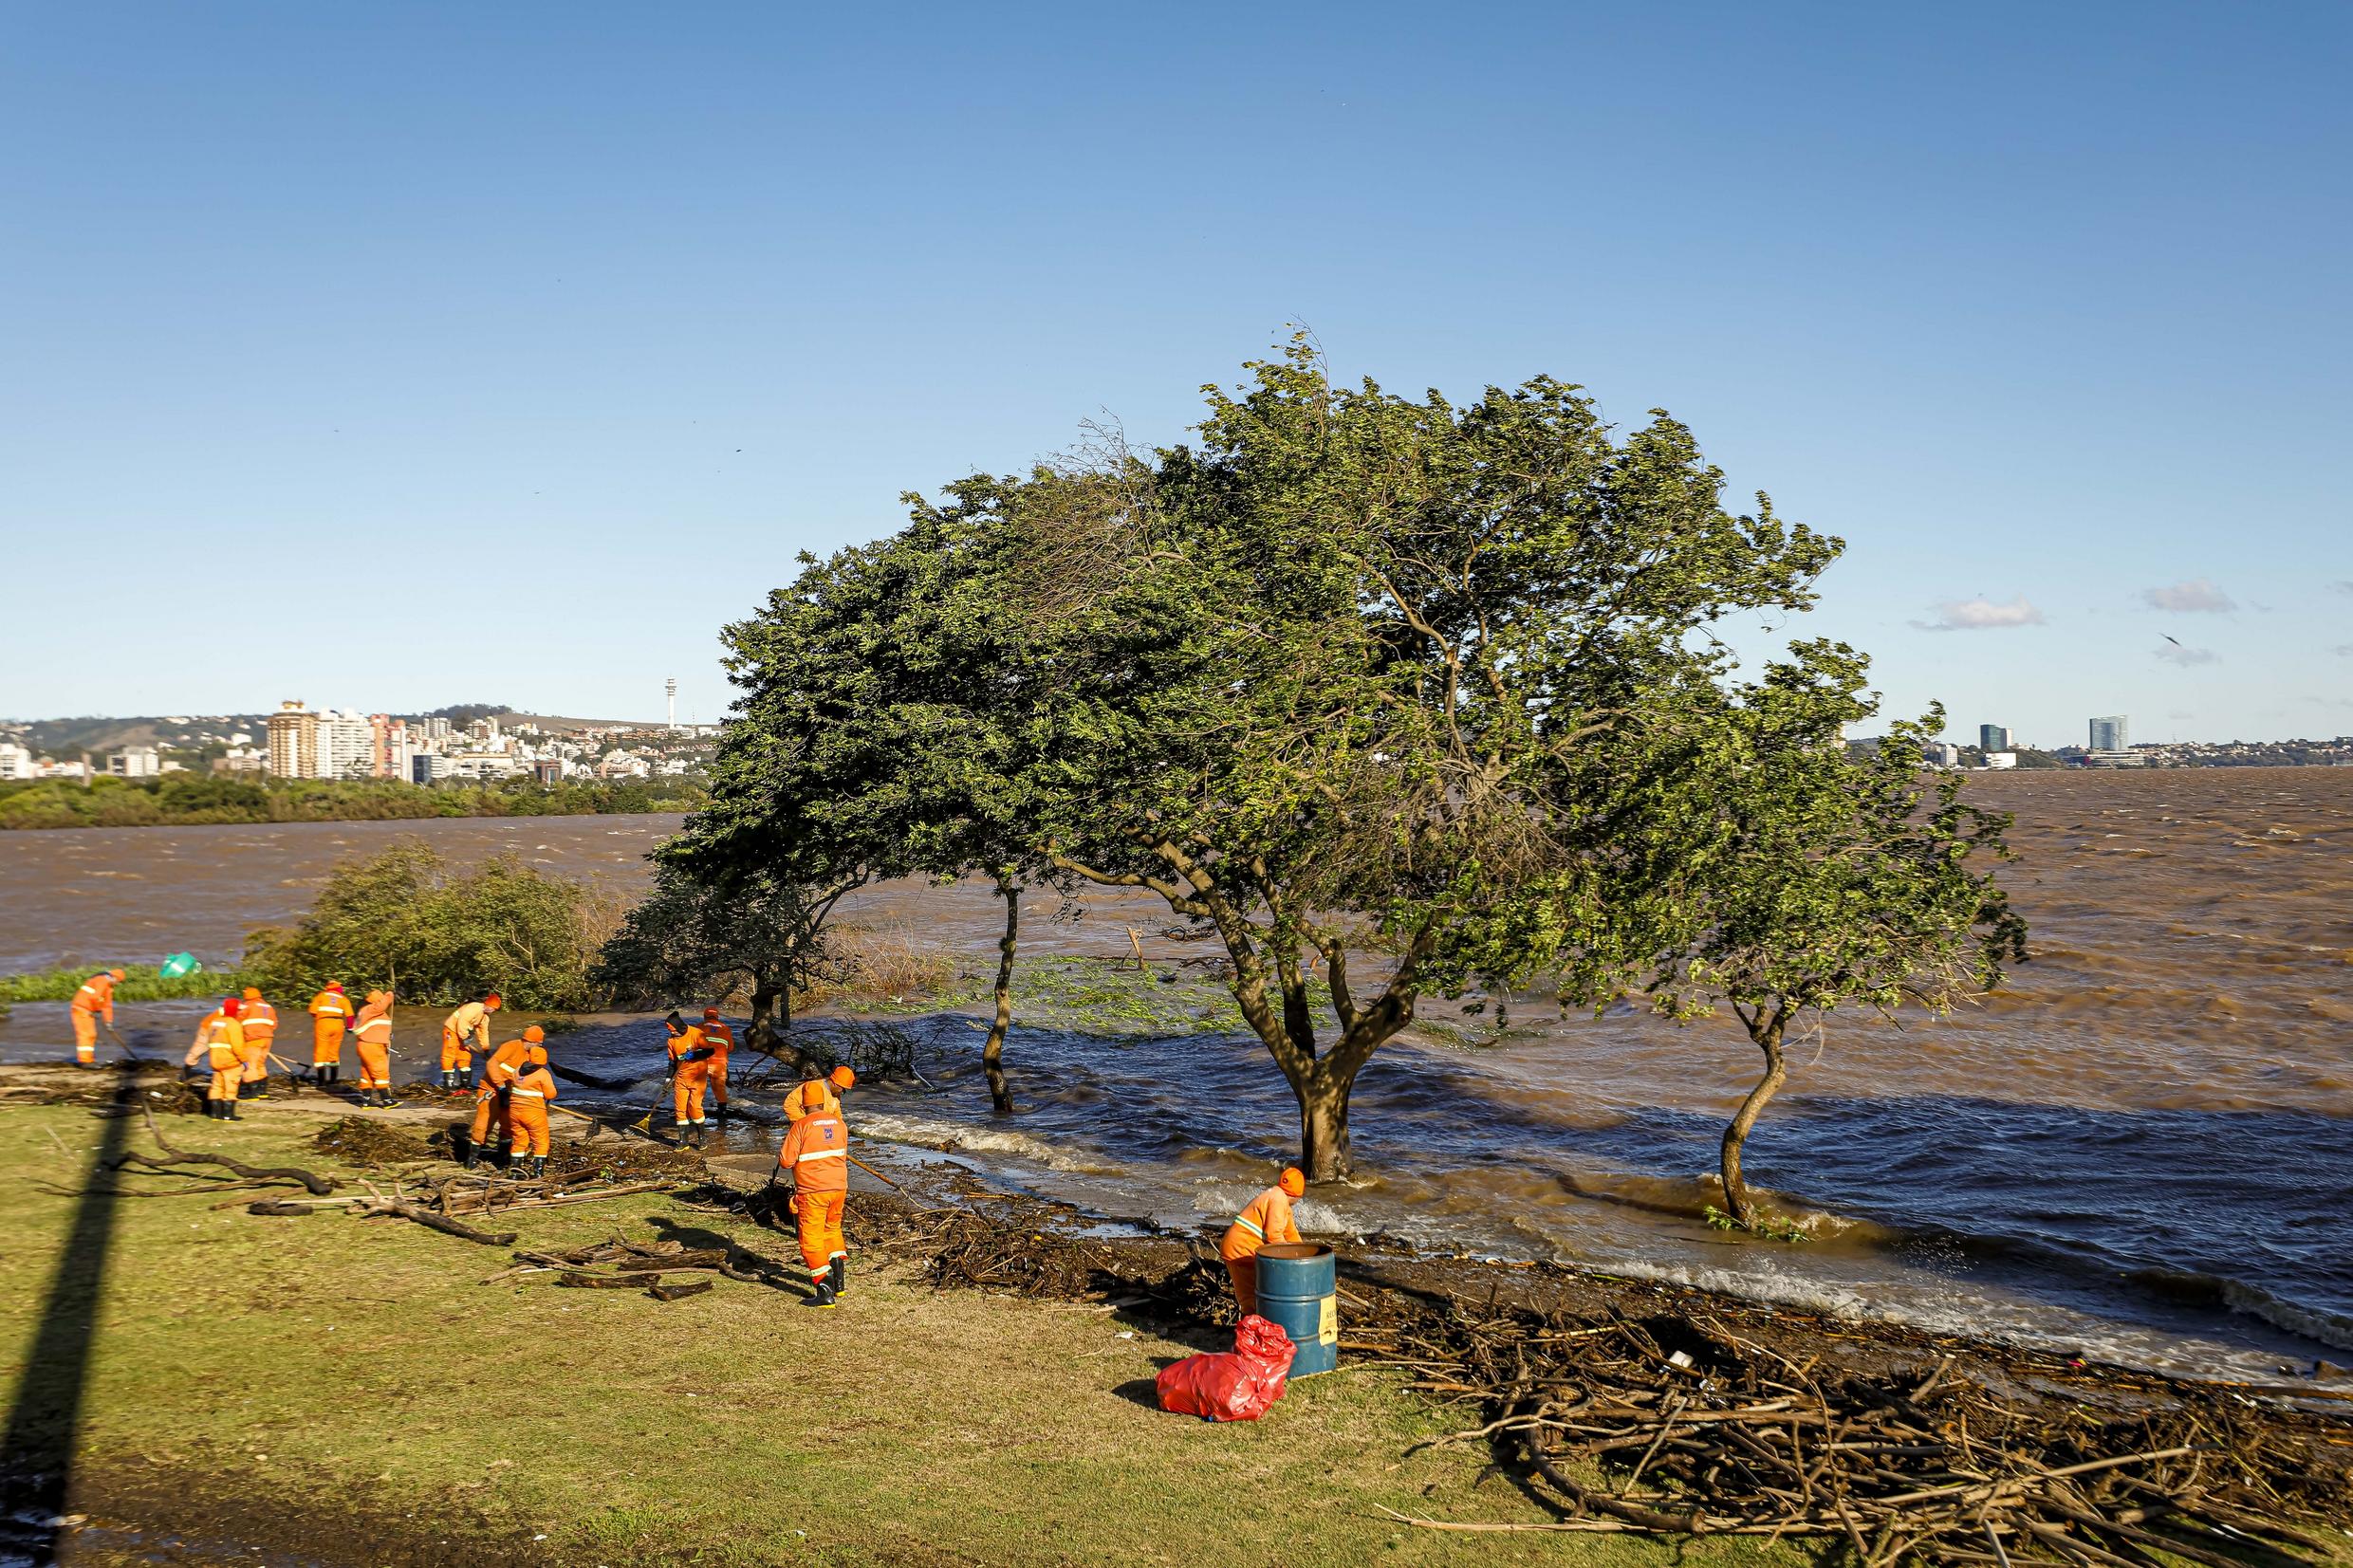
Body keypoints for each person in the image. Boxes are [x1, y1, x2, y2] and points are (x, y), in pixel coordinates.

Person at [774, 1072, 855, 1308]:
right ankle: (839, 1284)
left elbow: (786, 1161)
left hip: (813, 1191)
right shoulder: (839, 1124)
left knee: (811, 1239)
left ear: (803, 1104)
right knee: (832, 1230)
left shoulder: (801, 1126)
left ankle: (825, 1292)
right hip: (838, 1188)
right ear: (824, 1100)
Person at [1219, 1167, 1306, 1318]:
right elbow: (1274, 1236)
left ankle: (1254, 1325)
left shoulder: (1279, 1198)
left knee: (1258, 1293)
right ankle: (1250, 1328)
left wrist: (1304, 1256)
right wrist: (1292, 1260)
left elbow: (1291, 1234)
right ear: (1298, 1195)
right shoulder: (1278, 1200)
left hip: (1244, 1248)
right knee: (1251, 1298)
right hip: (1240, 1250)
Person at [464, 1024, 546, 1169]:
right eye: (539, 1044)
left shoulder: (532, 1056)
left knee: (508, 1125)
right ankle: (472, 1159)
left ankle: (502, 1157)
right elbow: (491, 1063)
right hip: (491, 1090)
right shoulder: (511, 1046)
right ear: (532, 1041)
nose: (540, 1047)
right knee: (484, 1124)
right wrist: (501, 1087)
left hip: (510, 1094)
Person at [505, 1044, 558, 1179]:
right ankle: (538, 1174)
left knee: (519, 1140)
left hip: (514, 1112)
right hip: (533, 1112)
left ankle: (516, 1172)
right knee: (541, 1141)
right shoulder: (542, 1074)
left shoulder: (517, 1070)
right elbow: (551, 1094)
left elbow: (510, 1085)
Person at [667, 1013, 718, 1147]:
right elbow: (672, 1062)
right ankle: (683, 1142)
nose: (672, 1034)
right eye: (671, 1031)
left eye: (674, 1031)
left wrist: (694, 1054)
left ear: (680, 1027)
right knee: (680, 1109)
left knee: (694, 1107)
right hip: (681, 1078)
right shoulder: (671, 1041)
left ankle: (702, 1140)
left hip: (697, 1077)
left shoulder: (696, 1033)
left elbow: (710, 1051)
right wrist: (668, 1079)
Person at [439, 992, 501, 1093]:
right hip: (452, 1030)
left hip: (463, 1034)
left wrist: (486, 1049)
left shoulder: (485, 1018)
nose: (493, 1011)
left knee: (465, 1056)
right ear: (488, 1004)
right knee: (449, 1054)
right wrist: (465, 1038)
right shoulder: (474, 1008)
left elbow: (483, 1033)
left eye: (495, 1010)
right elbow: (462, 1022)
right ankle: (448, 1084)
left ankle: (465, 1084)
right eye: (493, 1008)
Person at [200, 999, 247, 1119]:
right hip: (230, 1063)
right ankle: (228, 1115)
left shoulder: (215, 1022)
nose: (240, 1012)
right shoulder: (234, 1024)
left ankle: (215, 1114)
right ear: (234, 1010)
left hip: (215, 1062)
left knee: (216, 1087)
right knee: (231, 1087)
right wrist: (244, 1060)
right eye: (239, 1010)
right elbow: (238, 1047)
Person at [70, 968, 126, 1067]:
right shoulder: (102, 980)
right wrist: (97, 1009)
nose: (118, 984)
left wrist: (108, 1022)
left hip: (88, 1011)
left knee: (91, 1034)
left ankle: (88, 1060)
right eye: (118, 981)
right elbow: (95, 997)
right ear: (114, 977)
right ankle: (85, 1061)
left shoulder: (109, 988)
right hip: (81, 1009)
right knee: (86, 1034)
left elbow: (107, 1006)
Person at [351, 988, 395, 1106]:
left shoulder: (367, 1011)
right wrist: (390, 994)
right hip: (372, 1045)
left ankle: (366, 1101)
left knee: (367, 1074)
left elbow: (377, 1027)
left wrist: (388, 1035)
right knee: (381, 1071)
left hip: (367, 1044)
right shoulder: (371, 1009)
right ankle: (387, 1100)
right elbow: (382, 1005)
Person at [306, 983, 354, 1083]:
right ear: (339, 989)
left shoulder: (321, 996)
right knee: (334, 1052)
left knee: (321, 1051)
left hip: (323, 1023)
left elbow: (312, 1011)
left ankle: (321, 1081)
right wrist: (350, 1027)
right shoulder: (343, 999)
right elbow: (350, 1016)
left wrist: (319, 1017)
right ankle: (333, 1081)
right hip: (338, 1024)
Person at [237, 987, 278, 1099]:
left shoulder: (247, 1005)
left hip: (253, 1038)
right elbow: (274, 1024)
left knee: (250, 1065)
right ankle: (262, 1091)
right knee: (260, 1064)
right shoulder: (268, 1006)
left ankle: (252, 1093)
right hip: (267, 1038)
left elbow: (237, 1021)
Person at [698, 1007, 735, 1121]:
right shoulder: (726, 1028)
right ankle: (722, 1111)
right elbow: (730, 1048)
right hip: (720, 1063)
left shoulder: (699, 1027)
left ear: (705, 1016)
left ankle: (696, 1110)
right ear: (717, 1017)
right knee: (719, 1088)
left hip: (703, 1061)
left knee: (698, 1087)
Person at [786, 1064, 856, 1123]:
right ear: (836, 1084)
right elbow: (789, 1104)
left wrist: (839, 1126)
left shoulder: (836, 1095)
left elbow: (837, 1115)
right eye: (843, 1090)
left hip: (824, 1130)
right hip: (806, 1129)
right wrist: (803, 1123)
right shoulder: (812, 1086)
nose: (842, 1093)